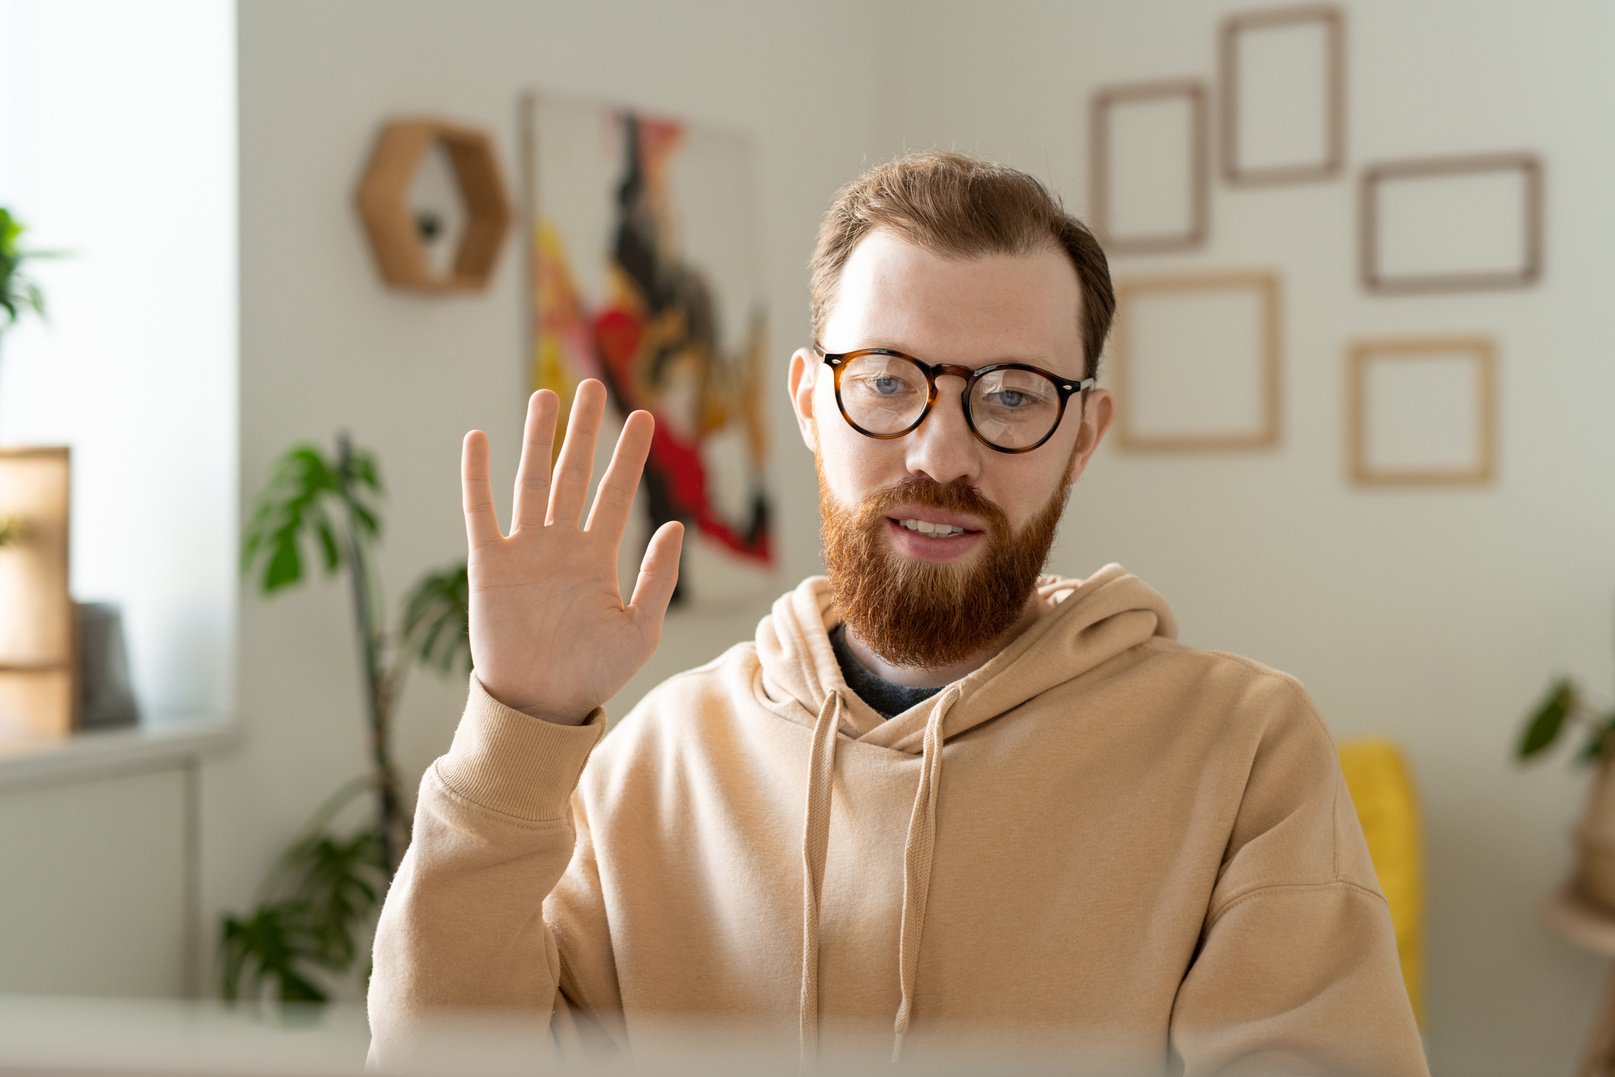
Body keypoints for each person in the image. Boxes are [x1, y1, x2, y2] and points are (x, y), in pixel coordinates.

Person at [367, 152, 1430, 1075]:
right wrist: (519, 723)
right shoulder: (653, 766)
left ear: (1084, 435)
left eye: (1012, 394)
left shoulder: (1241, 751)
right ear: (807, 402)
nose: (940, 453)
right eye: (885, 381)